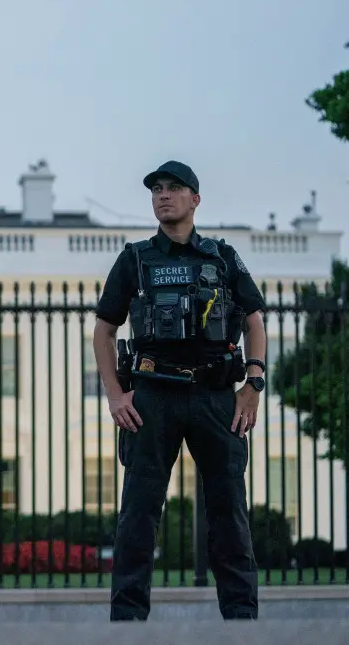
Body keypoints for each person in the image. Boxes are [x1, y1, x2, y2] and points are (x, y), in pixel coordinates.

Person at [92, 160, 267, 622]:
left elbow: (253, 319)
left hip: (215, 397)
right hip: (152, 397)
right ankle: (127, 622)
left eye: (174, 188)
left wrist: (254, 383)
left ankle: (242, 619)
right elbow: (104, 331)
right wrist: (115, 395)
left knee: (229, 511)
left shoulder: (222, 256)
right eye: (156, 190)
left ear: (195, 199)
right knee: (138, 514)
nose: (163, 195)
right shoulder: (134, 258)